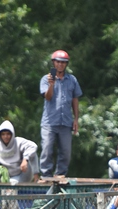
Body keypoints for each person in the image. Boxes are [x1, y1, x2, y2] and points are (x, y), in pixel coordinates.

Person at [39, 50, 83, 178]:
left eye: (63, 62)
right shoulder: (45, 79)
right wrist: (51, 85)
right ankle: (46, 175)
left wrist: (76, 119)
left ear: (66, 64)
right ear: (53, 63)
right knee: (47, 149)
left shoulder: (72, 80)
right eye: (58, 62)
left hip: (66, 121)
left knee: (66, 151)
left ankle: (60, 174)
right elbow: (47, 97)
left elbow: (75, 99)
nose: (60, 65)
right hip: (49, 122)